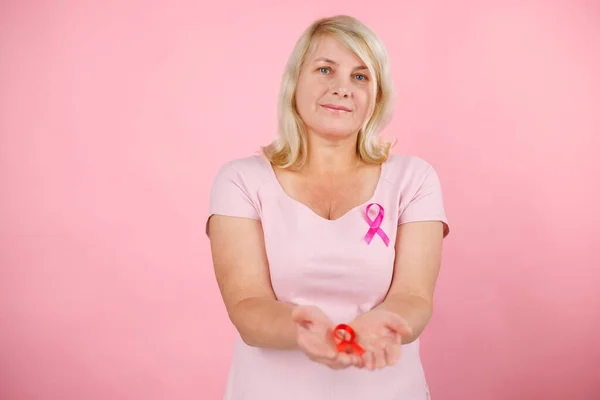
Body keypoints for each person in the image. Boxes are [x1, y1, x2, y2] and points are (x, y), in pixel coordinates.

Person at [206, 14, 450, 400]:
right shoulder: (240, 180)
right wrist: (301, 330)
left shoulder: (414, 179)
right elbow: (247, 305)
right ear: (294, 83)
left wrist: (385, 323)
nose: (342, 88)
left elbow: (415, 296)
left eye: (360, 76)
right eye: (325, 69)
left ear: (377, 96)